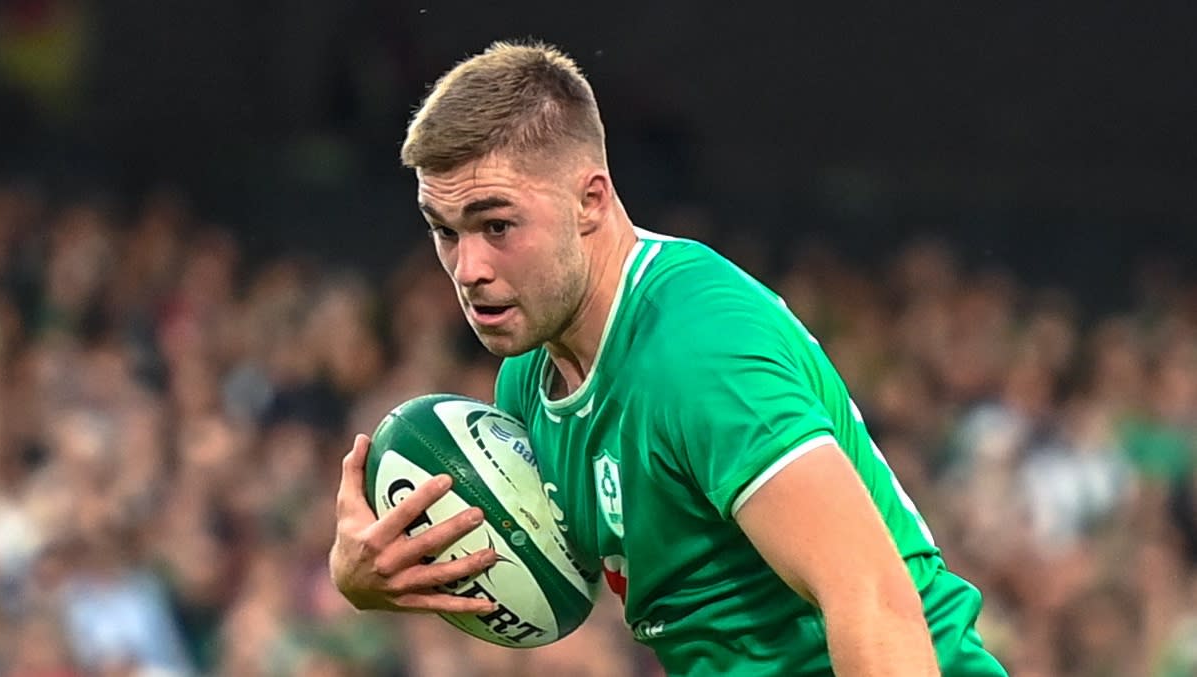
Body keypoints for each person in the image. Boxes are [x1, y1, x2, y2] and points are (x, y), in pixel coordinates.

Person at [330, 40, 1008, 676]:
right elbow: (558, 592)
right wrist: (386, 576)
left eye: (497, 225)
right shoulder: (527, 384)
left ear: (590, 200)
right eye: (444, 231)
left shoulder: (696, 349)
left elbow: (873, 600)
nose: (467, 267)